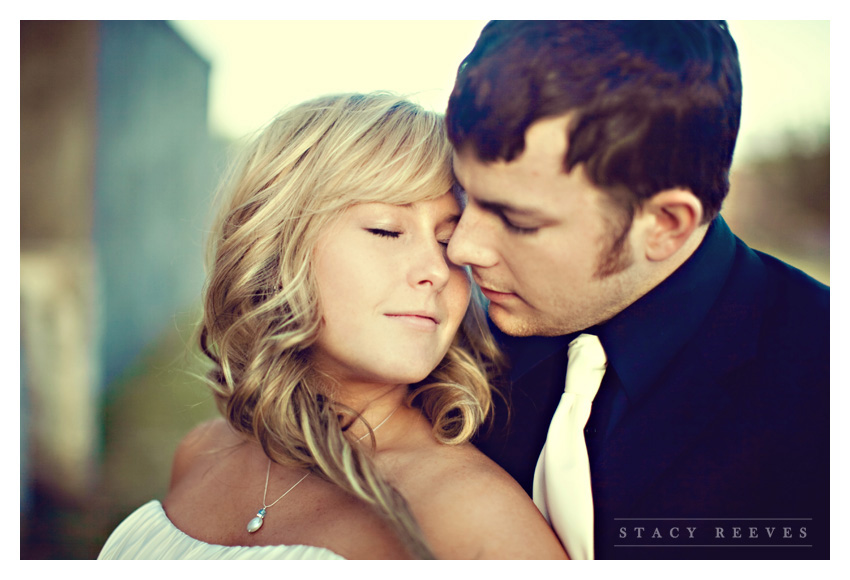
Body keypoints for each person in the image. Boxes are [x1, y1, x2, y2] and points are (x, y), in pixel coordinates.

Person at [97, 92, 567, 560]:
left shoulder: (474, 518)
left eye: (448, 239)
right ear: (278, 246)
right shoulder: (199, 453)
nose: (438, 269)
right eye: (386, 229)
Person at [445, 20, 829, 560]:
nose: (462, 249)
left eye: (517, 219)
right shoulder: (436, 339)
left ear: (666, 224)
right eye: (465, 195)